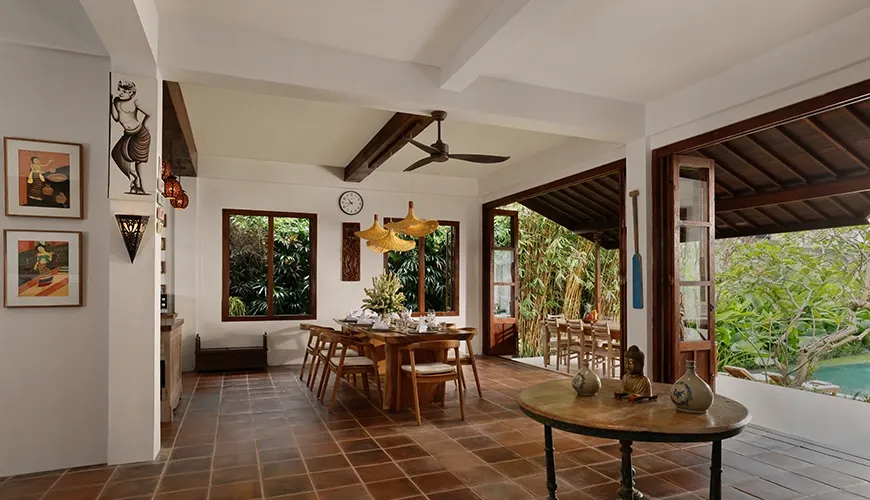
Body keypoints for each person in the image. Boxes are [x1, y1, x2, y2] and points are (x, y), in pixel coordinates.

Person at [110, 80, 151, 195]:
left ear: (131, 94)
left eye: (125, 91)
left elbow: (149, 114)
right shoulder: (117, 101)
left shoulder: (135, 102)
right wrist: (112, 103)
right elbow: (116, 118)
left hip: (140, 133)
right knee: (116, 153)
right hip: (128, 133)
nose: (122, 93)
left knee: (139, 160)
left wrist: (145, 124)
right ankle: (135, 177)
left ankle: (142, 186)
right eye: (121, 90)